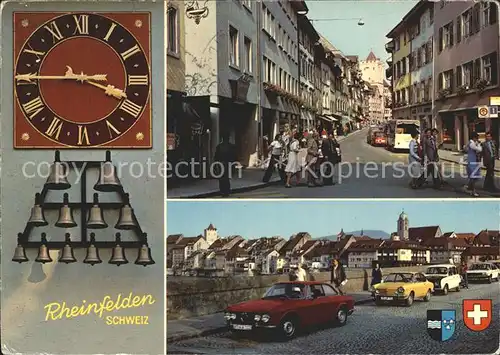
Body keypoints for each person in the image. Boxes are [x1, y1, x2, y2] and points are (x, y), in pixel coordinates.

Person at [464, 132, 483, 197]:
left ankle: (469, 187)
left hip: (474, 161)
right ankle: (473, 191)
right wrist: (479, 144)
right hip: (472, 162)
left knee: (474, 177)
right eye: (477, 138)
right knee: (474, 177)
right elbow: (479, 149)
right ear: (474, 138)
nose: (477, 139)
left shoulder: (472, 143)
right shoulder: (472, 144)